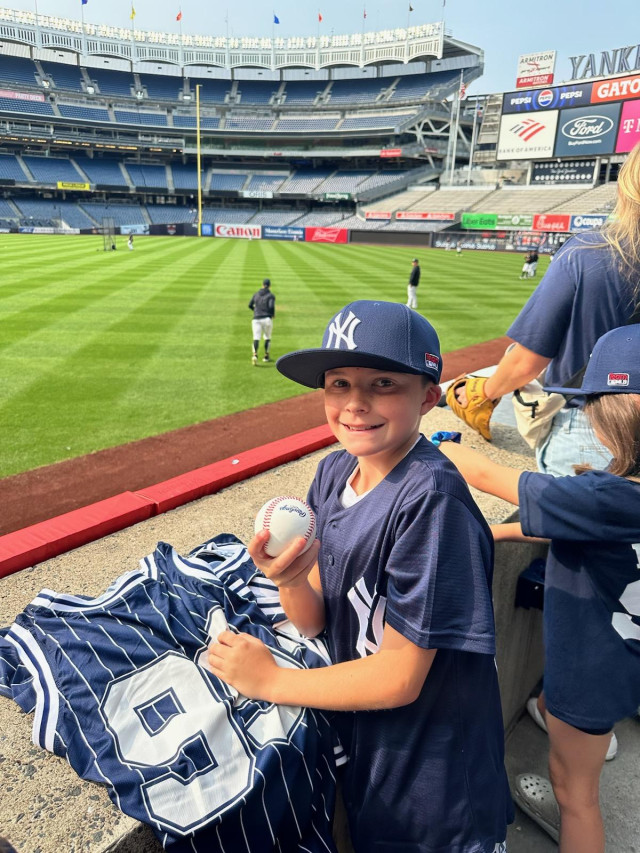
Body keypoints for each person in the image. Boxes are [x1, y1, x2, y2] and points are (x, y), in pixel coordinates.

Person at [209, 300, 513, 853]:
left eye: (382, 383)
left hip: (438, 779)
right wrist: (290, 579)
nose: (355, 404)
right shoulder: (332, 472)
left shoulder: (431, 501)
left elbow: (400, 676)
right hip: (374, 751)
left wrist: (271, 681)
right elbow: (317, 619)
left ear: (427, 395)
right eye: (338, 383)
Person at [438, 324, 640, 853]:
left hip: (591, 669)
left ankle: (574, 825)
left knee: (578, 793)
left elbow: (481, 474)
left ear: (606, 416)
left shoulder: (601, 494)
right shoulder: (610, 502)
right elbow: (576, 524)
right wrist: (500, 530)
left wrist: (440, 452)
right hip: (629, 659)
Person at [248, 278, 275, 365]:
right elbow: (271, 306)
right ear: (269, 286)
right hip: (267, 318)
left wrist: (255, 311)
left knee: (256, 338)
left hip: (256, 319)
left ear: (262, 285)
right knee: (267, 337)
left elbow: (250, 305)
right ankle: (266, 356)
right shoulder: (271, 295)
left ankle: (255, 355)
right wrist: (272, 314)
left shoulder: (256, 294)